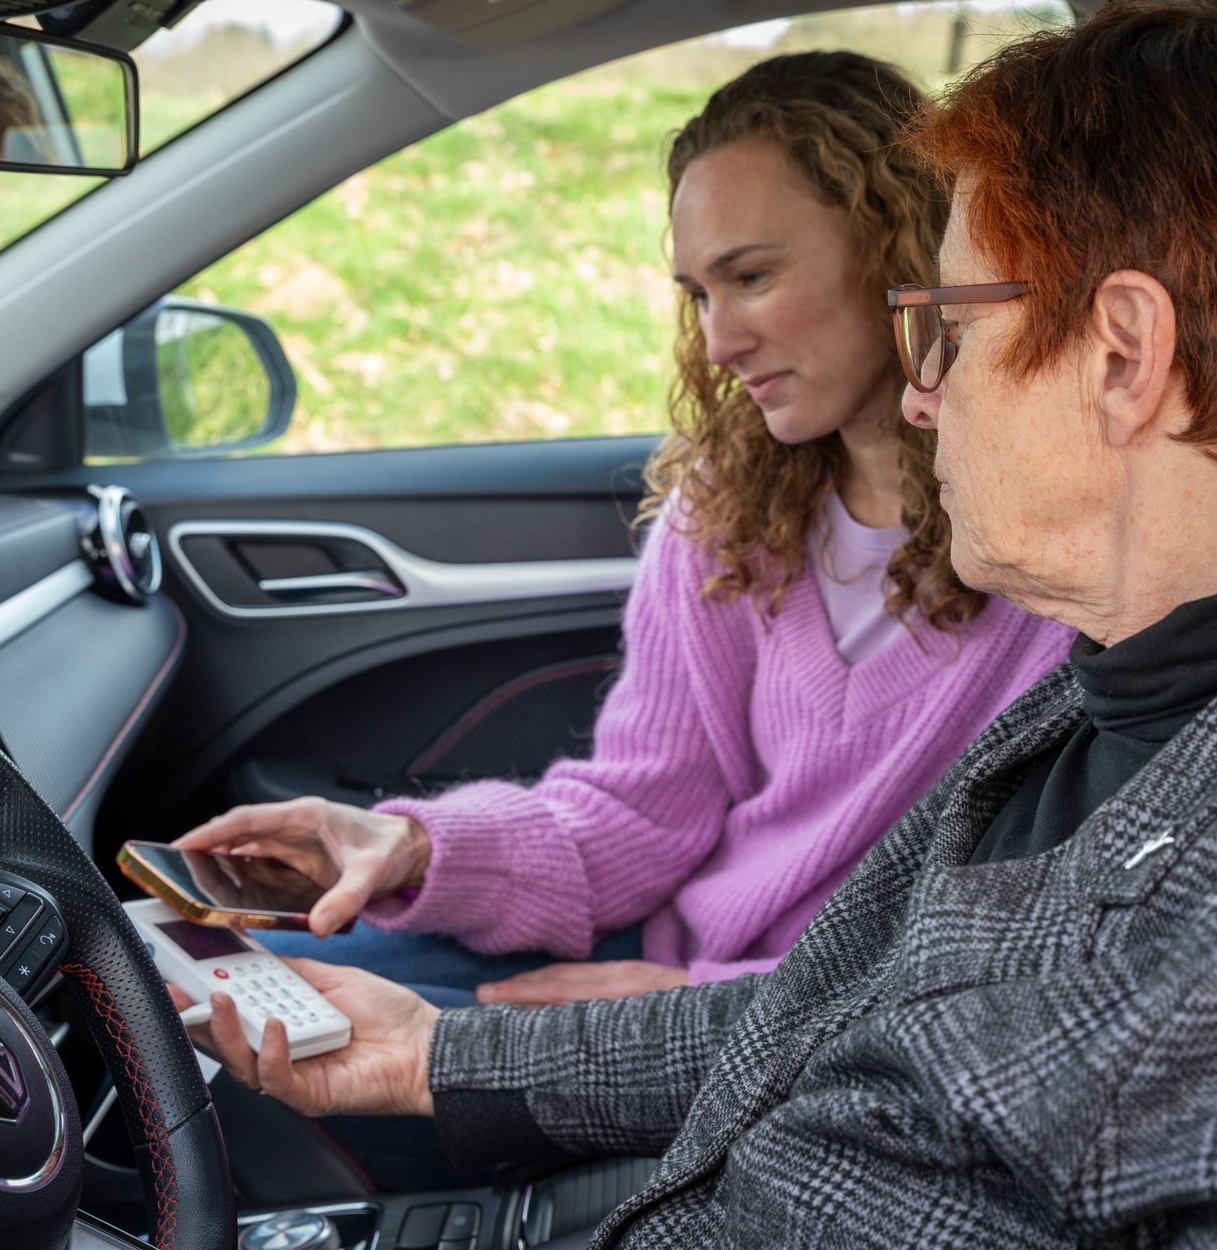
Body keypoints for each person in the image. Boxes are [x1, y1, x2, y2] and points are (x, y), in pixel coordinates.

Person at [188, 0, 1217, 1242]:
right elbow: (856, 1014)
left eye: (950, 325)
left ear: (1124, 354)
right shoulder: (1139, 682)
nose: (926, 391)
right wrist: (441, 1059)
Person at [175, 52, 1076, 1014]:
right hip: (660, 961)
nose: (720, 342)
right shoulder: (729, 510)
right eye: (698, 293)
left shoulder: (1055, 559)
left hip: (804, 1019)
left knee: (293, 1074)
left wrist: (688, 1002)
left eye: (753, 276)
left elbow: (1008, 938)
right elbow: (645, 812)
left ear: (899, 247)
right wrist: (414, 846)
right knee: (214, 1007)